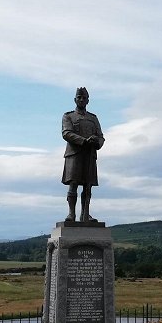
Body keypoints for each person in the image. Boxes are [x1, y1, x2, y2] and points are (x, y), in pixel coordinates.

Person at [61, 87, 104, 222]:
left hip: (90, 154)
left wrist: (97, 142)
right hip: (75, 154)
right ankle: (71, 214)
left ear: (88, 100)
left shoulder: (93, 118)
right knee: (73, 184)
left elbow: (101, 136)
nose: (81, 99)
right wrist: (84, 141)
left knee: (88, 185)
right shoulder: (68, 116)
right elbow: (66, 133)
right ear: (75, 99)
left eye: (84, 97)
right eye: (79, 97)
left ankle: (85, 215)